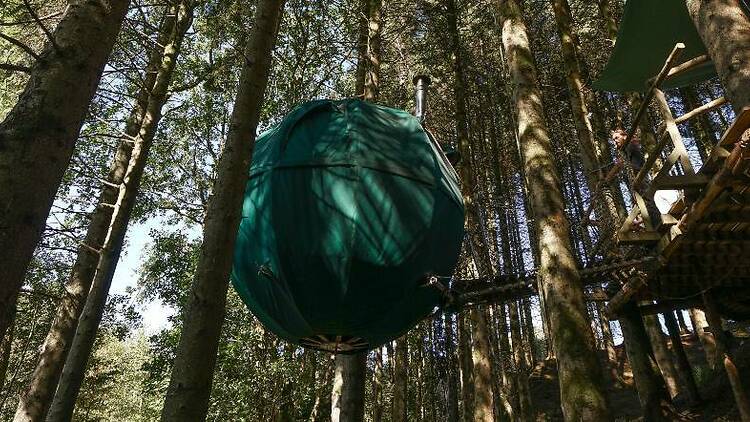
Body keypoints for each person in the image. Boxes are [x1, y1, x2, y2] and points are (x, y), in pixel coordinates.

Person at [611, 128, 663, 228]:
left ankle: (657, 225)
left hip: (640, 178)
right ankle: (652, 225)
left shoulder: (630, 146)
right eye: (613, 140)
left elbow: (629, 164)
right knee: (643, 203)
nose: (615, 141)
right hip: (637, 180)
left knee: (647, 201)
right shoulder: (627, 150)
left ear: (625, 137)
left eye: (617, 138)